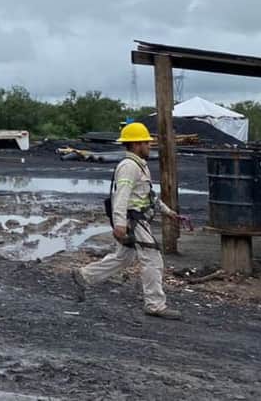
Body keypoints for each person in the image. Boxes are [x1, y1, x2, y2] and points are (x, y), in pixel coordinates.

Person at [71, 122, 192, 319]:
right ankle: (155, 305)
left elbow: (148, 195)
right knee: (152, 259)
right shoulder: (129, 167)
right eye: (146, 142)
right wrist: (119, 224)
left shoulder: (139, 166)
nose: (149, 146)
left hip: (135, 219)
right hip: (133, 220)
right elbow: (122, 196)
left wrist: (169, 212)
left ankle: (85, 275)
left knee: (123, 257)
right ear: (136, 144)